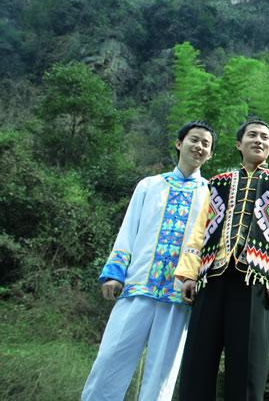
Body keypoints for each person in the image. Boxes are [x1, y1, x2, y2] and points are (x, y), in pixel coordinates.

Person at [82, 121, 215, 401]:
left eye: (206, 144)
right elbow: (128, 228)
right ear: (179, 143)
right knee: (109, 360)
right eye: (194, 140)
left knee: (161, 377)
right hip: (137, 286)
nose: (199, 146)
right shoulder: (149, 185)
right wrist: (115, 273)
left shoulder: (212, 194)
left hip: (178, 296)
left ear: (210, 154)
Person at [175, 117, 269, 400]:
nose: (259, 140)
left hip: (255, 280)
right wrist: (189, 274)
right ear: (238, 144)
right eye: (252, 135)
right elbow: (199, 230)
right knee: (197, 361)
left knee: (248, 367)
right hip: (210, 278)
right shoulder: (217, 183)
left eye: (265, 137)